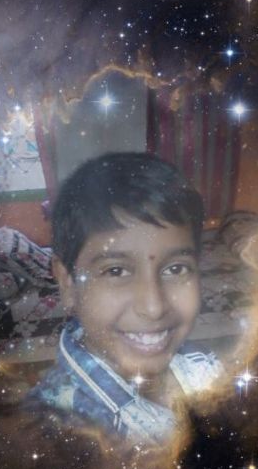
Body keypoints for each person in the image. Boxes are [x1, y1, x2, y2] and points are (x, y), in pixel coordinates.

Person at [25, 152, 223, 447]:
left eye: (175, 269)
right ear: (67, 283)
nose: (154, 308)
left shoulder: (205, 367)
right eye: (116, 271)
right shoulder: (50, 437)